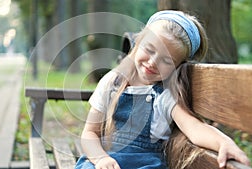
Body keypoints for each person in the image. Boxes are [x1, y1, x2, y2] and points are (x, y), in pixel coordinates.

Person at [75, 10, 250, 169]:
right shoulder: (112, 82)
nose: (152, 63)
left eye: (166, 61)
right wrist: (100, 159)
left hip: (145, 164)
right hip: (104, 158)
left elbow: (194, 128)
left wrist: (223, 142)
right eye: (149, 49)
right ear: (138, 42)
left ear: (177, 66)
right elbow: (90, 132)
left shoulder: (165, 96)